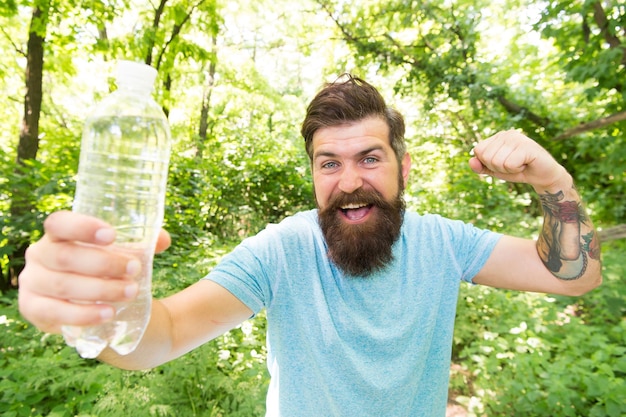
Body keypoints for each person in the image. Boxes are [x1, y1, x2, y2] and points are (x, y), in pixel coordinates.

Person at [18, 74, 601, 416]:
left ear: (405, 167)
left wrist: (554, 184)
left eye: (370, 158)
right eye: (330, 163)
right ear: (313, 174)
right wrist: (93, 309)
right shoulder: (282, 250)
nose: (349, 181)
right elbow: (160, 337)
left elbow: (573, 276)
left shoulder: (445, 242)